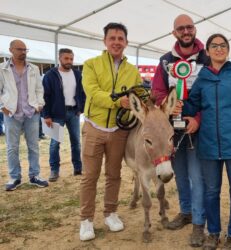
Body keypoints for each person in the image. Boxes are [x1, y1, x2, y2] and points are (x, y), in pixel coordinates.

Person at [183, 33, 231, 250]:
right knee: (211, 192)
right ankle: (214, 232)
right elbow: (192, 106)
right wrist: (181, 105)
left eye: (223, 45)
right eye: (214, 46)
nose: (219, 49)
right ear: (207, 51)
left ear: (228, 49)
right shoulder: (202, 78)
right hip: (208, 146)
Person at [79, 22, 142, 241]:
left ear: (126, 42)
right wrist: (118, 101)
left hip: (119, 131)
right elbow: (93, 93)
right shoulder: (90, 65)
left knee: (113, 175)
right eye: (112, 38)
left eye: (120, 38)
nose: (116, 42)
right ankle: (86, 220)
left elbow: (139, 95)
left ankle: (110, 213)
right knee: (89, 176)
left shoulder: (133, 71)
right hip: (94, 128)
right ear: (105, 41)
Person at [152, 14, 208, 247]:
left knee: (197, 176)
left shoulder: (207, 57)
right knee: (181, 174)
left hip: (199, 129)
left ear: (194, 30)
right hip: (172, 131)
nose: (186, 31)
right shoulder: (165, 60)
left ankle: (198, 222)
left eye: (189, 27)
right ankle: (185, 212)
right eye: (181, 28)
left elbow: (214, 93)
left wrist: (198, 118)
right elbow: (156, 91)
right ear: (174, 33)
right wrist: (167, 104)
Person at [0, 40, 48, 191]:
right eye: (19, 49)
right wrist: (3, 107)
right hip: (11, 113)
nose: (23, 52)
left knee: (33, 146)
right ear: (11, 50)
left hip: (31, 113)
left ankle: (35, 175)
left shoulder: (33, 68)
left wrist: (39, 105)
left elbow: (40, 89)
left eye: (25, 49)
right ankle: (15, 177)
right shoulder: (2, 69)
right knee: (12, 148)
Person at [42, 48, 85, 182]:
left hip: (74, 112)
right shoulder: (50, 75)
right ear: (60, 58)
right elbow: (45, 96)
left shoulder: (77, 74)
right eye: (66, 58)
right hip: (56, 114)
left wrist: (80, 107)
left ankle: (78, 168)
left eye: (71, 59)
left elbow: (82, 92)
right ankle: (54, 170)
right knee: (55, 143)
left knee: (76, 142)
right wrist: (46, 115)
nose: (69, 61)